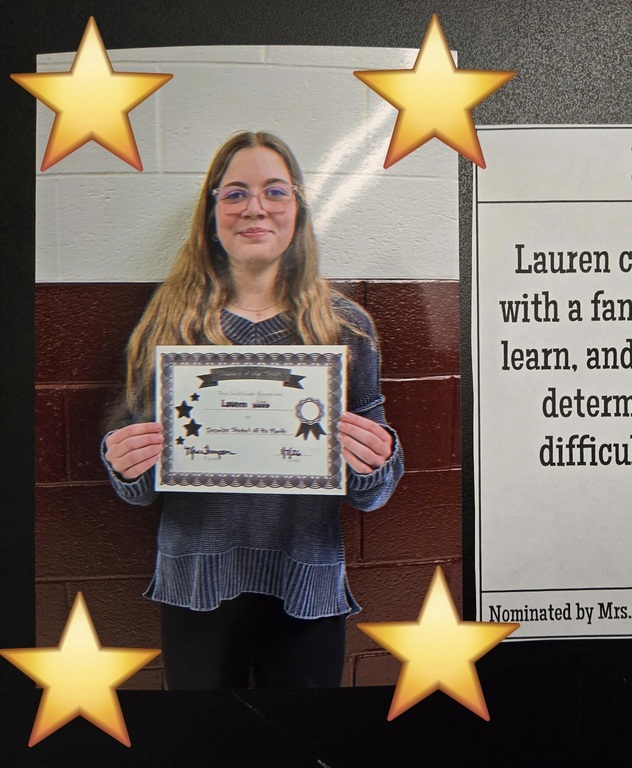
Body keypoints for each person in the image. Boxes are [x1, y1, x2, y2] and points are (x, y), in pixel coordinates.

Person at [100, 131, 404, 689]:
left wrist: (377, 461)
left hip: (306, 585)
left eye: (274, 192)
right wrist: (123, 462)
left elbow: (372, 492)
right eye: (235, 193)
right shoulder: (170, 323)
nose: (255, 207)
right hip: (196, 583)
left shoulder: (346, 326)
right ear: (212, 210)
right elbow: (139, 486)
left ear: (298, 208)